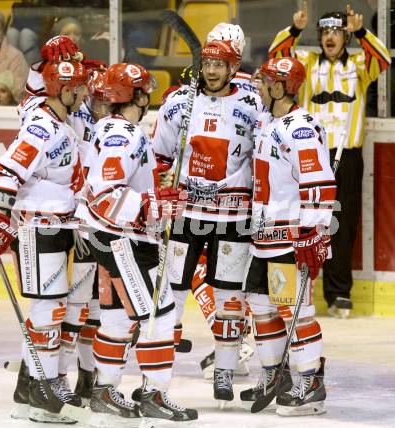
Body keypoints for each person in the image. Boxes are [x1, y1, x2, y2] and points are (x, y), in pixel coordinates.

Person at [75, 62, 198, 423]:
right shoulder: (122, 134)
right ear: (135, 96)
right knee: (160, 315)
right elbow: (104, 194)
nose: (148, 96)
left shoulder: (114, 128)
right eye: (144, 90)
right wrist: (153, 204)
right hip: (121, 239)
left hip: (108, 236)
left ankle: (104, 390)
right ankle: (154, 395)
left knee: (115, 317)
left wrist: (155, 196)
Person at [0, 59, 90, 424]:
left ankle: (29, 389)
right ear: (63, 90)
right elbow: (7, 170)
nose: (84, 92)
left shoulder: (63, 123)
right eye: (79, 88)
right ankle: (42, 391)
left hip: (58, 226)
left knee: (55, 309)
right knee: (49, 310)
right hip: (38, 228)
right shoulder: (42, 127)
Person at [152, 38, 262, 406]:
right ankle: (159, 377)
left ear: (233, 68)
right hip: (188, 214)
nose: (212, 70)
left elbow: (264, 156)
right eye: (207, 63)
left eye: (220, 64)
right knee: (173, 294)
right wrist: (162, 185)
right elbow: (160, 155)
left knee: (230, 297)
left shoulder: (252, 104)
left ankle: (225, 372)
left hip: (234, 216)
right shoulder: (179, 102)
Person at [269, 2, 391, 318]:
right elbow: (277, 59)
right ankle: (298, 288)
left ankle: (339, 294)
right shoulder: (306, 62)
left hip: (347, 156)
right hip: (311, 156)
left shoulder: (362, 63)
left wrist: (361, 31)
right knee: (305, 220)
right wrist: (294, 30)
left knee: (342, 223)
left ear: (345, 36)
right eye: (325, 32)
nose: (330, 37)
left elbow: (384, 59)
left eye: (336, 31)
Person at [240, 56, 336, 416]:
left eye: (265, 81)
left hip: (288, 237)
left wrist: (313, 232)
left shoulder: (300, 129)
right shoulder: (269, 121)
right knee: (260, 306)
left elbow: (319, 184)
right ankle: (274, 376)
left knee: (296, 311)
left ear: (279, 87)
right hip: (262, 236)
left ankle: (310, 383)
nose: (259, 86)